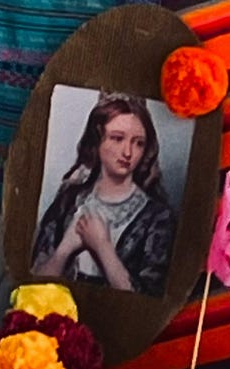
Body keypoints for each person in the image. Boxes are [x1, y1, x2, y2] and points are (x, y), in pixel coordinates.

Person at [31, 93, 176, 296]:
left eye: (138, 143)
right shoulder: (69, 200)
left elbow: (147, 307)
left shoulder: (158, 217)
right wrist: (65, 249)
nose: (128, 152)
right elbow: (32, 284)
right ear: (97, 139)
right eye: (117, 139)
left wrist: (102, 246)